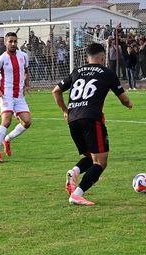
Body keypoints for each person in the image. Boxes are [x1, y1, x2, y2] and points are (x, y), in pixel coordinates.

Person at [52, 42, 133, 206]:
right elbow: (124, 100)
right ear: (103, 57)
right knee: (100, 162)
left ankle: (74, 172)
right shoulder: (107, 72)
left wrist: (65, 110)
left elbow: (56, 90)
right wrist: (129, 104)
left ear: (87, 57)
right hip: (91, 118)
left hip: (73, 119)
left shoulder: (77, 71)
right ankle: (77, 194)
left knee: (90, 156)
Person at [0, 32, 31, 162]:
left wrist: (26, 85)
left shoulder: (23, 56)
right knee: (6, 121)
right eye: (10, 41)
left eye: (15, 41)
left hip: (19, 96)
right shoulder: (0, 60)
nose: (13, 44)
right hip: (6, 95)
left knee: (27, 122)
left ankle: (7, 139)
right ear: (6, 42)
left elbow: (26, 72)